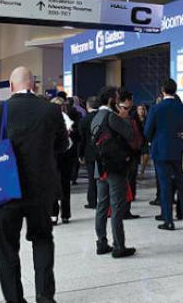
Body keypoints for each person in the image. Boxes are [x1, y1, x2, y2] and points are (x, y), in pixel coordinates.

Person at [0, 67, 68, 303]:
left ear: (11, 85)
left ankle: (15, 299)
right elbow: (62, 145)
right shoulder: (51, 109)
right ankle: (45, 297)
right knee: (43, 240)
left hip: (7, 191)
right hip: (42, 191)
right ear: (34, 85)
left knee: (7, 248)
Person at [90, 86, 138, 259]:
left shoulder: (95, 117)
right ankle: (119, 246)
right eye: (116, 98)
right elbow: (129, 134)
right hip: (114, 167)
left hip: (100, 167)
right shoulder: (112, 117)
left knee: (102, 205)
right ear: (111, 99)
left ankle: (101, 242)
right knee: (117, 206)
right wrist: (124, 118)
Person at [144, 79, 183, 231]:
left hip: (161, 152)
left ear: (162, 90)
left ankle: (168, 220)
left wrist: (155, 140)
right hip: (180, 151)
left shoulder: (156, 108)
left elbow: (147, 131)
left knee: (165, 187)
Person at [49, 97, 78, 225]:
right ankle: (56, 214)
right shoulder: (49, 120)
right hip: (55, 155)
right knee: (56, 185)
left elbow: (78, 136)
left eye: (61, 106)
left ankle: (63, 214)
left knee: (63, 185)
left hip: (64, 155)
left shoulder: (69, 119)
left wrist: (71, 133)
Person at [117, 90, 144, 219]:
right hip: (128, 155)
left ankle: (121, 209)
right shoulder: (127, 117)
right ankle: (124, 210)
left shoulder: (116, 114)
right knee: (127, 182)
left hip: (122, 155)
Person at [78, 96, 100, 209]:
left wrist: (80, 154)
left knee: (92, 179)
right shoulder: (103, 117)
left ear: (88, 106)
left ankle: (92, 201)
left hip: (89, 152)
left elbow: (81, 139)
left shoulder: (84, 120)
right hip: (102, 152)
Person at [137, 104, 151, 177]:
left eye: (142, 109)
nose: (141, 111)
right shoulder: (135, 119)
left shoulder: (147, 119)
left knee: (146, 156)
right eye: (139, 109)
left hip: (145, 140)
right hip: (137, 141)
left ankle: (142, 171)